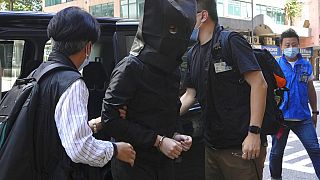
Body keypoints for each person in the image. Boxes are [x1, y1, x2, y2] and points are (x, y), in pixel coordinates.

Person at [32, 7, 135, 180]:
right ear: (88, 47)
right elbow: (79, 148)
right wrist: (116, 149)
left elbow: (54, 128)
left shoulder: (42, 72)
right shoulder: (72, 83)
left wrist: (96, 124)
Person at [98, 0, 196, 180]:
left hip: (164, 163)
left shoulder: (172, 70)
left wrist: (176, 135)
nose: (175, 38)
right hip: (134, 163)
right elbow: (110, 120)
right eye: (172, 30)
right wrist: (158, 141)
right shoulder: (130, 67)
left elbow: (168, 111)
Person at [180, 0, 268, 179]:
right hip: (211, 146)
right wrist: (159, 118)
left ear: (203, 16)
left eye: (186, 16)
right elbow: (190, 95)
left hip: (241, 147)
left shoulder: (231, 41)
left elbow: (259, 84)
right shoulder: (192, 53)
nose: (183, 21)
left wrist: (254, 133)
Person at [269, 28, 320, 180]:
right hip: (281, 120)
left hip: (303, 119)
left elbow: (310, 89)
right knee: (276, 153)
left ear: (299, 45)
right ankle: (275, 178)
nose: (291, 48)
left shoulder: (306, 65)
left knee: (315, 150)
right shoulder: (275, 66)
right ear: (281, 47)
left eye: (294, 44)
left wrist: (315, 111)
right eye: (287, 45)